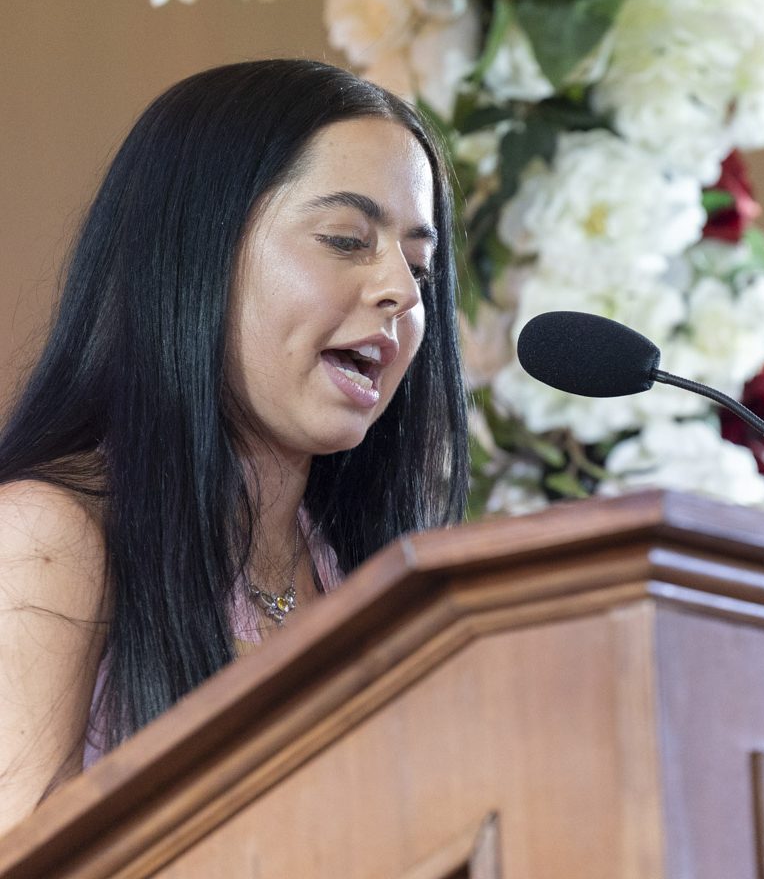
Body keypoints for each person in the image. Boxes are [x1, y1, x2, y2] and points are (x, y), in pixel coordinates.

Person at [0, 59, 469, 833]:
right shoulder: (48, 540)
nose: (403, 292)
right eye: (345, 239)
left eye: (420, 265)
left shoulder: (363, 574)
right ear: (194, 252)